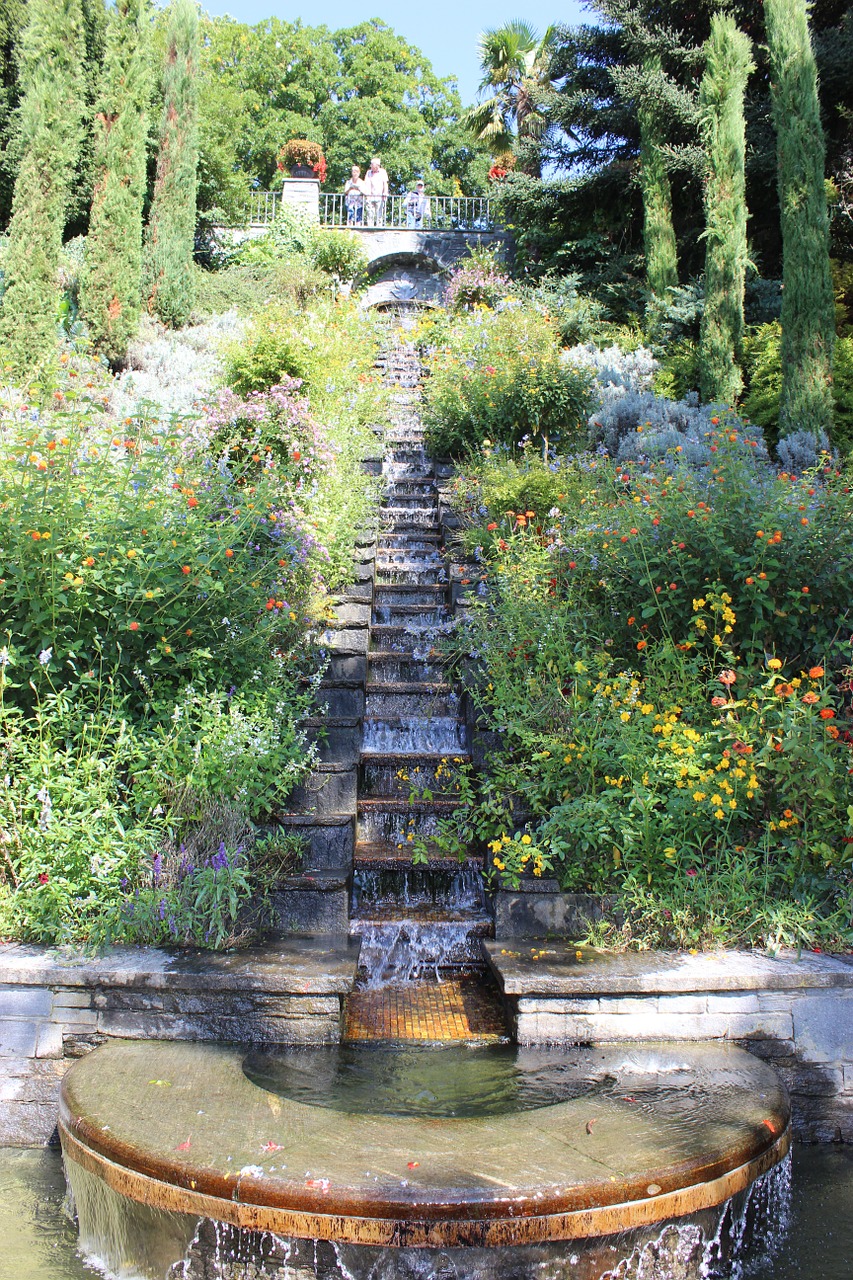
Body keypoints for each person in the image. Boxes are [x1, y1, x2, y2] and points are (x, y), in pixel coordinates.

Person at [364, 156, 389, 226]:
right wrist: (367, 195)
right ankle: (370, 226)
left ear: (377, 165)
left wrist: (385, 192)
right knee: (370, 213)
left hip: (379, 196)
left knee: (379, 213)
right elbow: (366, 183)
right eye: (371, 165)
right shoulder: (368, 172)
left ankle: (379, 226)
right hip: (370, 196)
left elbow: (385, 183)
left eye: (372, 165)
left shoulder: (383, 172)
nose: (371, 166)